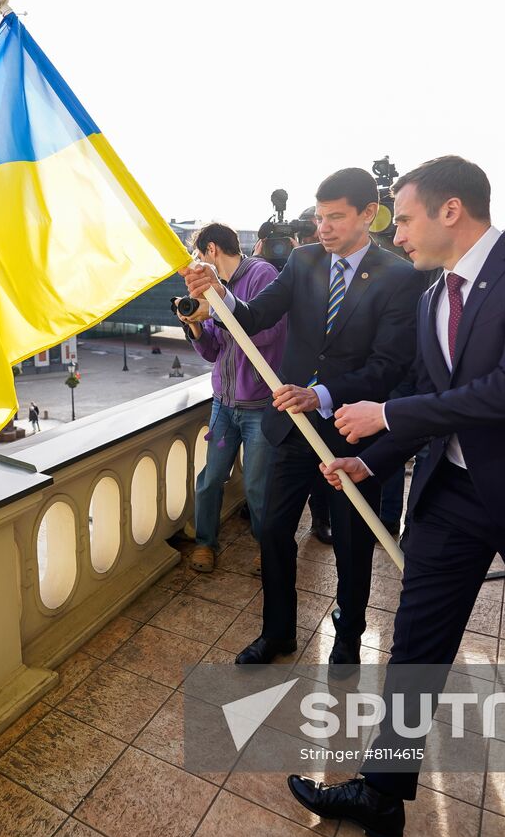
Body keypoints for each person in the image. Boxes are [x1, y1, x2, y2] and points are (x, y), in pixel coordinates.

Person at [289, 156, 505, 837]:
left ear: (450, 211)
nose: (396, 233)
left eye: (403, 218)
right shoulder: (432, 294)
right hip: (453, 494)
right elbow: (429, 402)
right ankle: (383, 791)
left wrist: (385, 418)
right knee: (417, 641)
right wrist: (369, 458)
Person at [181, 167, 425, 667]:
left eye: (336, 217)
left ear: (368, 215)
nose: (323, 228)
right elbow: (254, 316)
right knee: (272, 529)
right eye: (319, 217)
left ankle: (350, 640)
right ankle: (277, 633)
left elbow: (389, 366)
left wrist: (323, 394)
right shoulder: (304, 260)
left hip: (352, 432)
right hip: (291, 428)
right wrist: (219, 295)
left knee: (353, 545)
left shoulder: (400, 277)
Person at [178, 222, 288, 572]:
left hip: (260, 405)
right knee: (210, 479)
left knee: (258, 488)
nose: (197, 263)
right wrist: (195, 324)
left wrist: (218, 312)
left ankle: (267, 549)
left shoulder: (261, 273)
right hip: (224, 405)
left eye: (198, 255)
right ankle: (205, 544)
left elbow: (270, 332)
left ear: (211, 250)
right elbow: (213, 352)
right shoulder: (215, 288)